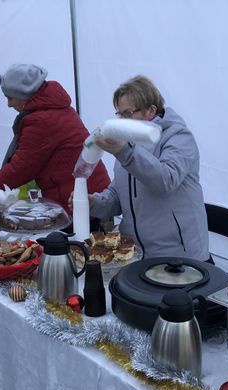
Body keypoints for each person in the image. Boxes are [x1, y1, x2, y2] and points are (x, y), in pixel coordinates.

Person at [86, 75, 210, 261]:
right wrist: (95, 203)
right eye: (119, 114)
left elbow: (165, 180)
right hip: (137, 255)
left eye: (128, 114)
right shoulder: (127, 143)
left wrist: (124, 151)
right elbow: (119, 195)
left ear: (151, 110)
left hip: (179, 258)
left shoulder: (178, 137)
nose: (121, 120)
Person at [0, 64, 110, 211]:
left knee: (83, 234)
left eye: (10, 98)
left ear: (23, 94)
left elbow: (21, 168)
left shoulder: (42, 120)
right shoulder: (55, 108)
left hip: (80, 198)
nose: (9, 104)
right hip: (86, 190)